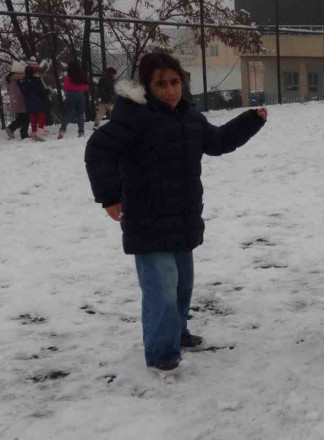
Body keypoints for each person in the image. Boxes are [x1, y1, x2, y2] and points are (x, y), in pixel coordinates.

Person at [84, 52, 267, 372]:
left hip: (183, 217)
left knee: (182, 285)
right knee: (162, 289)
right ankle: (160, 352)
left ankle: (177, 332)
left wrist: (250, 120)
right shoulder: (133, 118)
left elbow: (219, 141)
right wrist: (111, 196)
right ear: (147, 87)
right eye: (161, 84)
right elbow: (98, 150)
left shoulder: (190, 118)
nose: (170, 90)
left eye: (174, 82)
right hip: (147, 217)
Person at [57, 60, 90, 139]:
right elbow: (86, 87)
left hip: (71, 95)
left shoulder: (69, 77)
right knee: (80, 114)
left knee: (67, 113)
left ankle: (62, 130)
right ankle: (81, 132)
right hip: (81, 95)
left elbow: (66, 87)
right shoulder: (82, 76)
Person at [16, 65, 49, 142]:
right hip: (38, 101)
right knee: (41, 117)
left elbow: (21, 85)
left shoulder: (22, 82)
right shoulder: (36, 81)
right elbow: (42, 91)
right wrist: (47, 92)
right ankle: (39, 133)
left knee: (33, 118)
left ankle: (34, 133)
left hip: (28, 102)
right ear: (33, 72)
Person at [5, 61, 29, 140]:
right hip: (21, 100)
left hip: (15, 101)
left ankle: (24, 134)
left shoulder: (10, 79)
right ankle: (11, 128)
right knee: (25, 117)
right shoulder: (19, 76)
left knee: (24, 117)